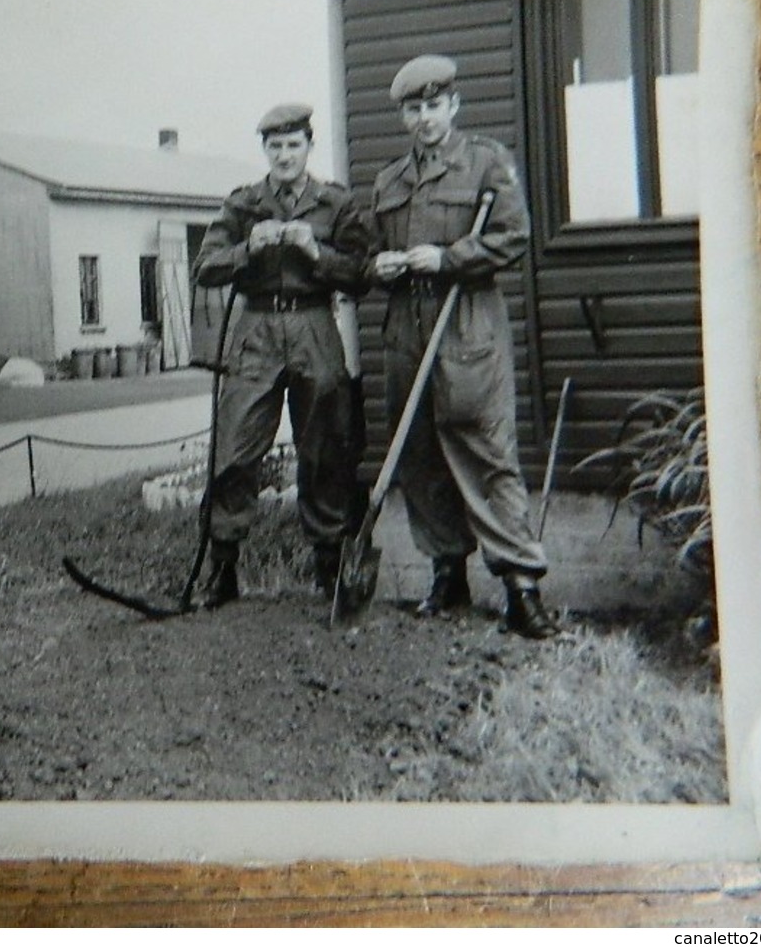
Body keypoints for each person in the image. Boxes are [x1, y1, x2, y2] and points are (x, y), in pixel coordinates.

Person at [368, 54, 558, 640]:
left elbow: (513, 238)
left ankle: (521, 589)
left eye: (434, 105)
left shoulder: (485, 162)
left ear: (454, 105)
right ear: (403, 115)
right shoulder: (389, 181)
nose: (424, 118)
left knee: (485, 453)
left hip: (467, 323)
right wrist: (383, 266)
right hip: (408, 325)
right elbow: (374, 257)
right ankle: (446, 574)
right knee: (421, 457)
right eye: (413, 108)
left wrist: (449, 258)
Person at [191, 103, 372, 609]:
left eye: (294, 145)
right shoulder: (244, 204)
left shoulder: (335, 204)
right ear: (265, 151)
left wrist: (317, 255)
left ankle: (329, 567)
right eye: (275, 146)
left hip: (316, 324)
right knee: (235, 448)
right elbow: (205, 268)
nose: (285, 155)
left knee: (325, 447)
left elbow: (361, 274)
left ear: (309, 147)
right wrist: (248, 248)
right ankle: (222, 568)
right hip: (257, 329)